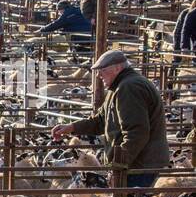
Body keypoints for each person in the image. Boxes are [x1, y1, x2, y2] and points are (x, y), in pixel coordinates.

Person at [51, 51, 169, 188]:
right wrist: (72, 127)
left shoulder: (129, 88)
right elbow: (101, 120)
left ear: (117, 68)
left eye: (103, 70)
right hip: (137, 162)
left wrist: (119, 164)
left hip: (139, 165)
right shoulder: (119, 87)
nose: (98, 75)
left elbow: (136, 132)